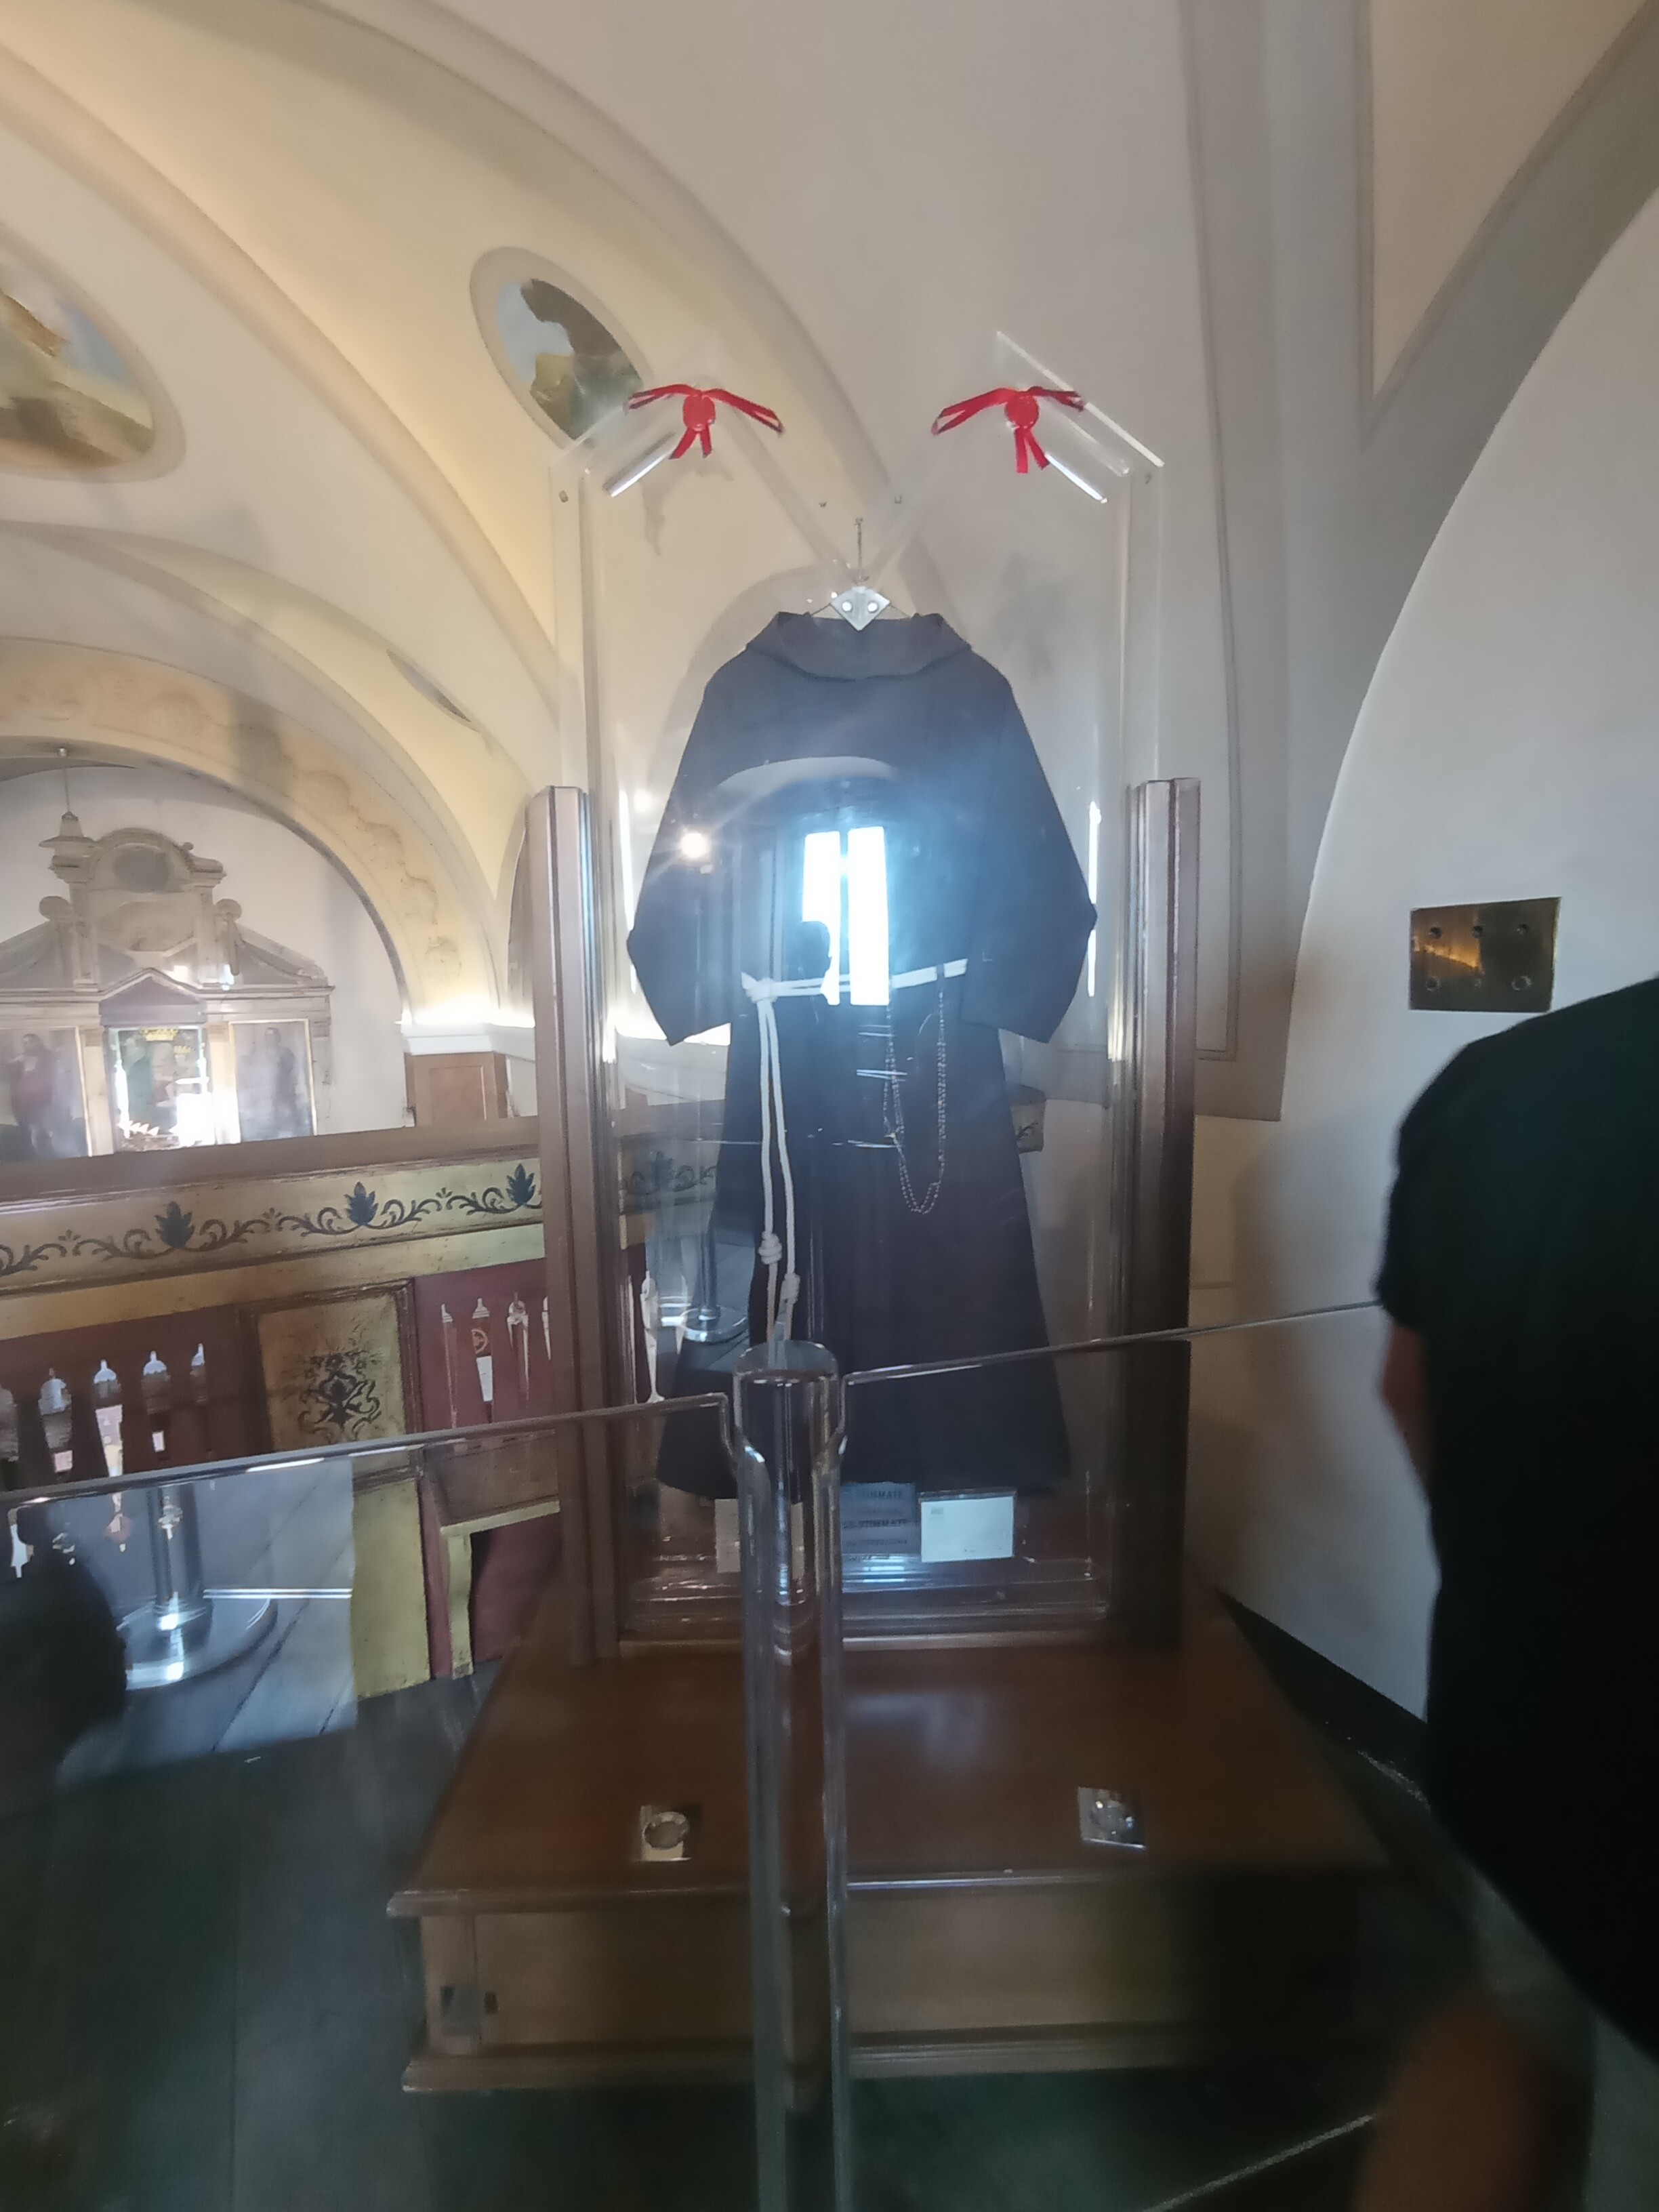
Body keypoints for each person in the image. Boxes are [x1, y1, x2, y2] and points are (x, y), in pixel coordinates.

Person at [1355, 979, 1659, 2212]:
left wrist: (1515, 1587)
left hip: (1520, 1724)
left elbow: (1408, 1388)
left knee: (1517, 2034)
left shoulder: (1503, 1082)